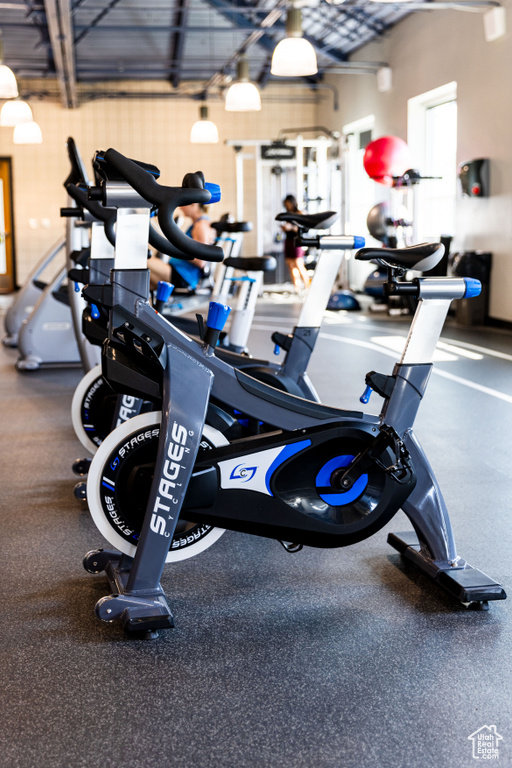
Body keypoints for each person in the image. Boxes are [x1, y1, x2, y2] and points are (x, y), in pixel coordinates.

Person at [148, 202, 214, 291]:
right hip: (177, 271)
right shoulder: (197, 224)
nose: (180, 207)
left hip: (183, 276)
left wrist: (176, 248)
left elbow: (201, 261)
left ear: (194, 204)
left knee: (142, 260)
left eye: (184, 203)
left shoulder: (201, 226)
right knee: (147, 282)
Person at [280, 194, 310, 292]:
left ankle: (308, 287)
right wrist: (285, 229)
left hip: (297, 241)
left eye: (289, 203)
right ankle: (297, 288)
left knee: (298, 263)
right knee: (290, 265)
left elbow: (305, 229)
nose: (288, 206)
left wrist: (292, 228)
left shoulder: (300, 213)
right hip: (288, 241)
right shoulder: (287, 215)